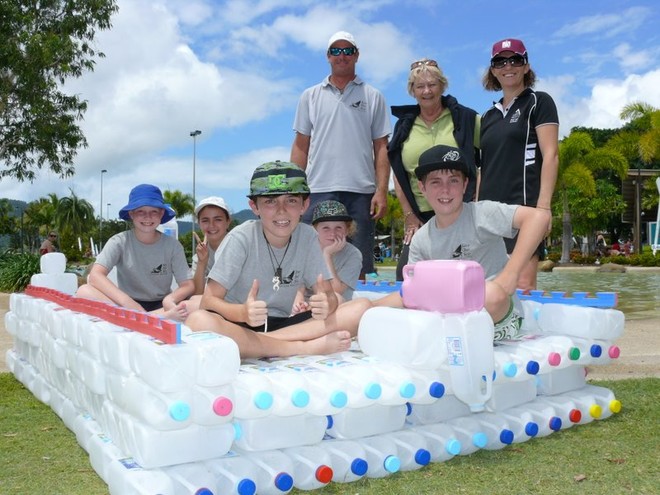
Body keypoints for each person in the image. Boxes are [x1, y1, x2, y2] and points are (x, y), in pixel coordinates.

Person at [266, 144, 548, 344]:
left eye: (453, 180)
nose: (445, 189)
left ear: (465, 186)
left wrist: (509, 278)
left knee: (491, 294)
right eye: (435, 182)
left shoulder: (481, 213)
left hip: (497, 318)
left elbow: (537, 218)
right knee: (361, 305)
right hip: (443, 313)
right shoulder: (422, 239)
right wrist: (373, 311)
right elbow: (414, 293)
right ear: (422, 189)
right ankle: (272, 341)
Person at [185, 161, 352, 359]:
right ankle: (301, 348)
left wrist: (328, 303)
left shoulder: (307, 236)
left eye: (291, 200)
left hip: (283, 324)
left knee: (359, 308)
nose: (281, 210)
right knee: (199, 321)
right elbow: (208, 301)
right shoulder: (241, 238)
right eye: (270, 201)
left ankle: (265, 343)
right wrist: (242, 313)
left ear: (304, 205)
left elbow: (328, 295)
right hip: (239, 323)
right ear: (254, 207)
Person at [290, 30, 391, 279]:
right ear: (328, 56)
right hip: (317, 188)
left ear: (356, 55)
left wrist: (380, 190)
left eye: (348, 50)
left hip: (361, 192)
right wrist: (294, 189)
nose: (342, 55)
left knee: (360, 263)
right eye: (336, 50)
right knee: (311, 258)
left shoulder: (373, 96)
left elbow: (381, 147)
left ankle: (356, 315)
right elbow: (301, 145)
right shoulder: (310, 96)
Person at [389, 58, 481, 280]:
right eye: (420, 86)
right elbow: (398, 173)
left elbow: (485, 162)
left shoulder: (467, 118)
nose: (427, 91)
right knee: (406, 278)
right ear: (412, 90)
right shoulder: (404, 126)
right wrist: (409, 215)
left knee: (464, 279)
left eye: (432, 84)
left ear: (443, 85)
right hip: (420, 216)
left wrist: (476, 206)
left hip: (462, 212)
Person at [479, 38, 559, 291]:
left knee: (522, 283)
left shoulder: (539, 102)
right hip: (489, 212)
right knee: (488, 284)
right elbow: (483, 168)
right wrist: (475, 211)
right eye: (500, 61)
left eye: (515, 59)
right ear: (493, 70)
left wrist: (544, 208)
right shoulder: (488, 116)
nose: (508, 66)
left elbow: (551, 155)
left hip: (524, 209)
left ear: (526, 66)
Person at [76, 184, 194, 321]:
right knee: (84, 291)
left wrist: (170, 299)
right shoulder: (119, 241)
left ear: (161, 214)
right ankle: (152, 318)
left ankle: (144, 318)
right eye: (141, 212)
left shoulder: (173, 245)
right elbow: (95, 275)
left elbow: (188, 285)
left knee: (195, 302)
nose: (147, 217)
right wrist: (130, 305)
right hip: (126, 304)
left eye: (154, 212)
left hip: (160, 304)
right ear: (131, 214)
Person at [292, 200, 362, 311]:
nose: (332, 233)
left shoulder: (353, 255)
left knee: (337, 299)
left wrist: (327, 255)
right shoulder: (305, 248)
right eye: (326, 228)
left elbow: (335, 292)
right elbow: (297, 284)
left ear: (348, 230)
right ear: (315, 230)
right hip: (306, 304)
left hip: (335, 305)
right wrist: (298, 300)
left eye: (338, 228)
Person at [190, 196, 231, 295]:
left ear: (228, 222)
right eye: (205, 220)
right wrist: (202, 262)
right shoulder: (199, 255)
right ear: (199, 223)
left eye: (218, 219)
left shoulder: (240, 247)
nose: (211, 225)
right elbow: (197, 294)